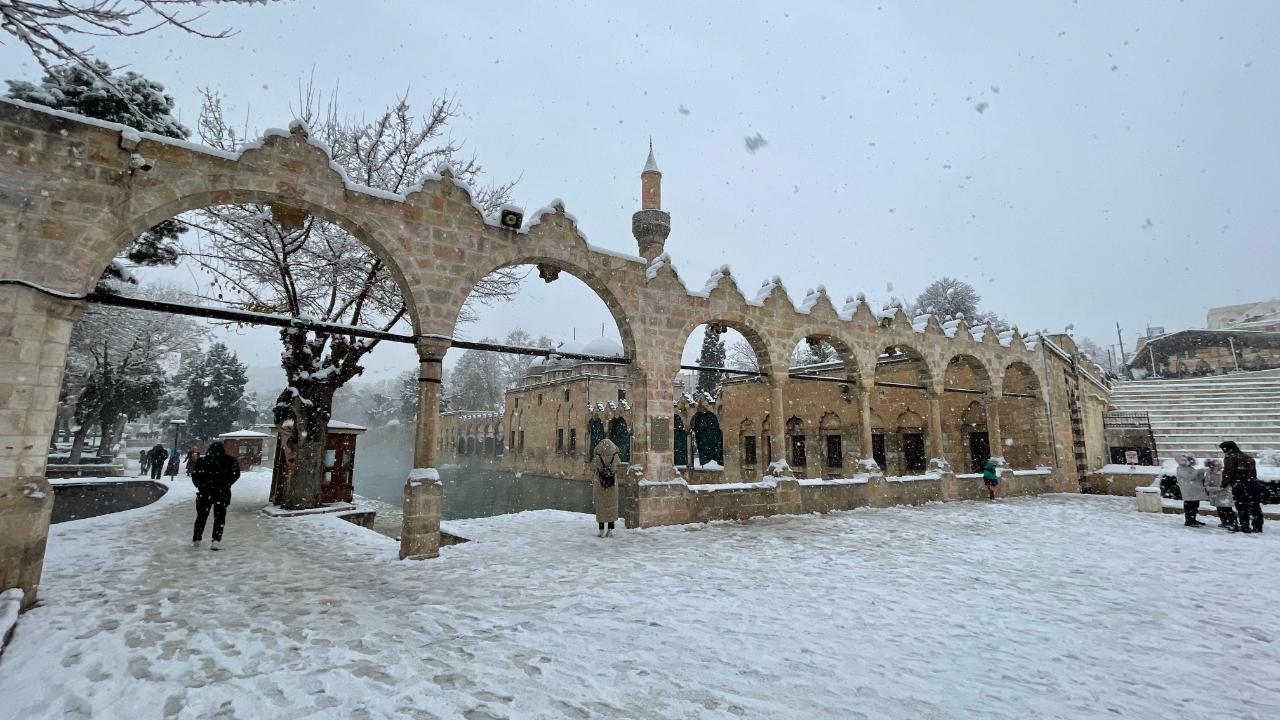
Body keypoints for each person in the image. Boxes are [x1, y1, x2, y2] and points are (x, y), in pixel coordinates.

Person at [191, 441, 241, 551]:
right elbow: (236, 474)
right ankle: (216, 540)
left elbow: (195, 475)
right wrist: (227, 483)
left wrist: (201, 485)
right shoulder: (230, 460)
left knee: (201, 517)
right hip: (222, 493)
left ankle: (197, 538)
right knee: (219, 517)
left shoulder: (202, 461)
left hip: (205, 493)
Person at [1221, 441, 1264, 534]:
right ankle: (1258, 526)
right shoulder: (1248, 457)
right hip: (1253, 484)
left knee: (1242, 506)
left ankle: (1245, 526)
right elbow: (1253, 473)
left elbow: (1228, 472)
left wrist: (1224, 484)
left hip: (1239, 485)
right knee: (1255, 506)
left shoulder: (1230, 457)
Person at [591, 437, 621, 538]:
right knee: (611, 507)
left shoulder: (598, 457)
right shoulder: (615, 456)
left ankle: (601, 530)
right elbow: (618, 466)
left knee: (601, 508)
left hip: (600, 484)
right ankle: (610, 530)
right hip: (612, 484)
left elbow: (593, 467)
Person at [1202, 458, 1237, 531]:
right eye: (1215, 465)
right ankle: (1224, 522)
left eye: (1218, 465)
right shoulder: (1209, 473)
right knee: (1220, 509)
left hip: (1225, 494)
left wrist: (1220, 488)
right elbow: (1207, 485)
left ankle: (1232, 522)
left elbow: (1226, 484)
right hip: (1216, 494)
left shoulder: (1224, 473)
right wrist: (1216, 489)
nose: (1217, 467)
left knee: (1227, 508)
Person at [1174, 453, 1208, 527]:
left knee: (1194, 505)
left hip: (1194, 490)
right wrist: (1198, 471)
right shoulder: (1180, 468)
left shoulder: (1190, 468)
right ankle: (1189, 520)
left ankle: (1193, 519)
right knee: (1190, 506)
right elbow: (1189, 477)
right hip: (1189, 491)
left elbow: (1197, 478)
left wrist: (1201, 473)